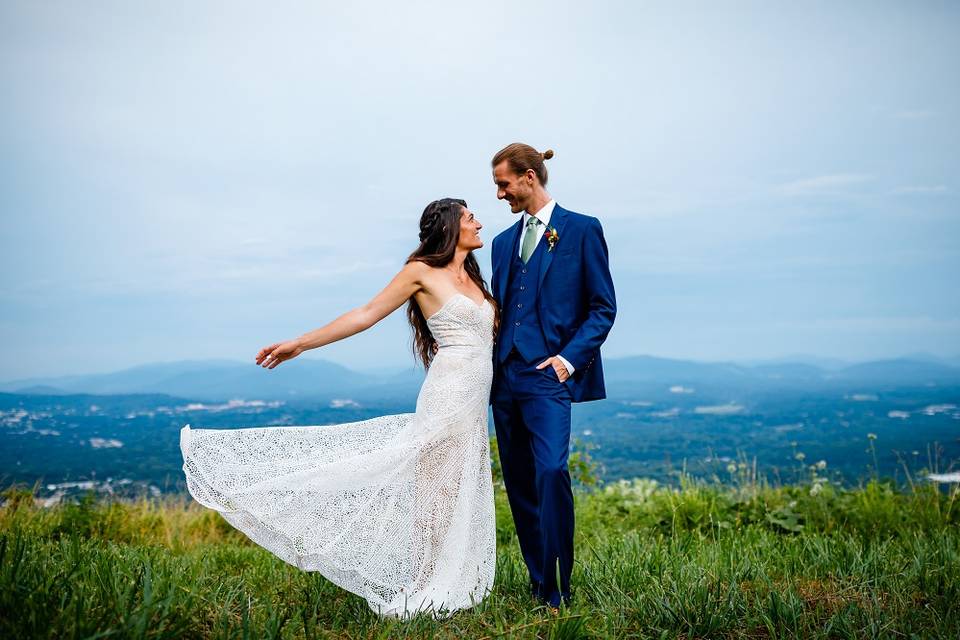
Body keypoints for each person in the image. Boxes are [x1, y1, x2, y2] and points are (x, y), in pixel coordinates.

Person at [180, 198, 497, 619]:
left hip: (475, 401)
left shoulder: (474, 276)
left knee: (455, 489)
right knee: (434, 490)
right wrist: (300, 343)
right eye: (470, 216)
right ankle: (424, 581)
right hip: (448, 393)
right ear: (449, 226)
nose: (478, 222)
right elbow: (365, 314)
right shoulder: (420, 271)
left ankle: (448, 576)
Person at [489, 143, 617, 610]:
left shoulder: (582, 229)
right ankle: (539, 580)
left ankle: (560, 583)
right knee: (520, 482)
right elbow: (503, 309)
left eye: (504, 184)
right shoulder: (502, 244)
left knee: (550, 471)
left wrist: (567, 360)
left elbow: (603, 308)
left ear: (528, 176)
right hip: (505, 378)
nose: (500, 194)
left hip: (550, 376)